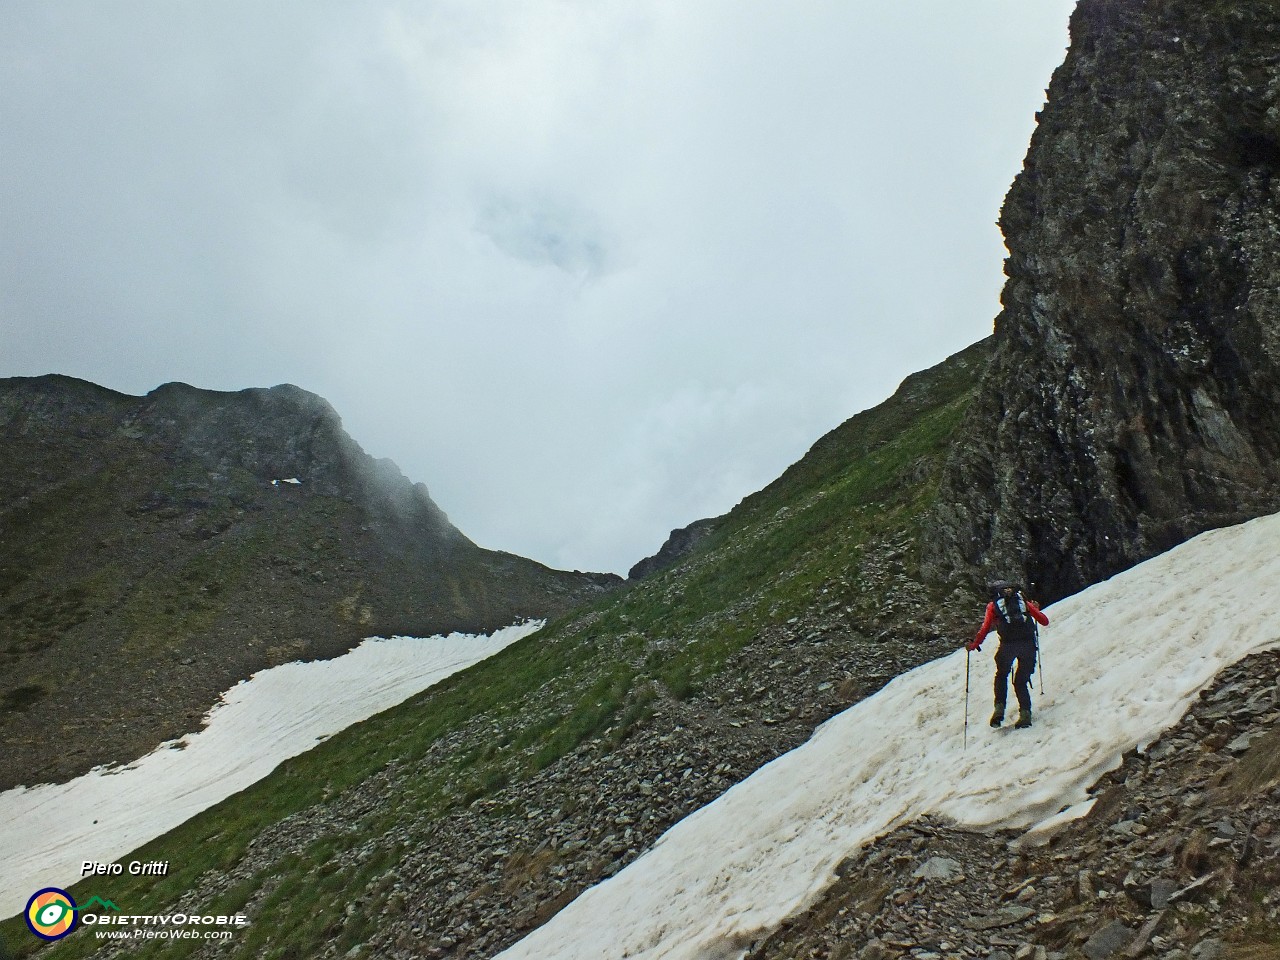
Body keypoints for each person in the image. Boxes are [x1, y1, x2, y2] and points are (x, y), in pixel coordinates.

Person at [967, 580, 1049, 729]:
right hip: (1028, 645)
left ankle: (999, 708)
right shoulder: (1023, 602)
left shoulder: (993, 606)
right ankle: (1025, 714)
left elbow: (985, 628)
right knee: (1020, 681)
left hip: (1007, 646)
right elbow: (1044, 621)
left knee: (1001, 675)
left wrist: (973, 644)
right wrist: (1035, 609)